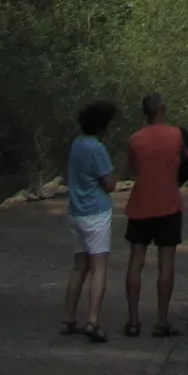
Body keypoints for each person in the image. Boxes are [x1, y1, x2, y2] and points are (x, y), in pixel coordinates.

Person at [122, 93, 188, 338]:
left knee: (136, 261)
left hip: (140, 204)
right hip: (168, 204)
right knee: (166, 264)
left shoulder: (134, 139)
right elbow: (186, 159)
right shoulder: (175, 135)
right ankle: (161, 321)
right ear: (162, 109)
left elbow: (132, 167)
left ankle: (133, 321)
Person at [61, 100, 116, 341]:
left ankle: (68, 317)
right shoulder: (97, 149)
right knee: (99, 267)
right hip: (96, 212)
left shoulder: (77, 144)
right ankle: (93, 320)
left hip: (76, 212)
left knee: (79, 266)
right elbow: (110, 184)